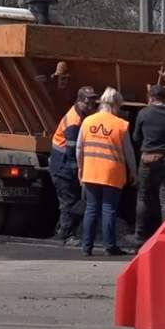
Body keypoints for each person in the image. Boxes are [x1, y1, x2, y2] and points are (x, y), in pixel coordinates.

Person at [127, 68, 165, 248]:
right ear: (164, 98)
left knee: (143, 197)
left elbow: (136, 138)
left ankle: (140, 235)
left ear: (150, 98)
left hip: (148, 160)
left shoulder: (143, 114)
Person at [76, 87, 136, 256]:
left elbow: (79, 148)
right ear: (115, 105)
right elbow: (129, 152)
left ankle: (86, 247)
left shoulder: (87, 121)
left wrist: (81, 168)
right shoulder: (120, 125)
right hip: (112, 173)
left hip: (91, 171)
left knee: (91, 209)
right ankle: (110, 246)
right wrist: (134, 172)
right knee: (109, 209)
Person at [49, 86, 99, 244]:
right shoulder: (74, 123)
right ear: (79, 100)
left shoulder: (80, 114)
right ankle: (66, 235)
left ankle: (61, 230)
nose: (91, 105)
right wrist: (81, 173)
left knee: (68, 200)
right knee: (69, 201)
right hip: (63, 166)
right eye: (88, 102)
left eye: (93, 101)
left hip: (63, 163)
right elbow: (72, 153)